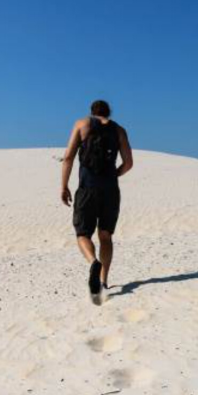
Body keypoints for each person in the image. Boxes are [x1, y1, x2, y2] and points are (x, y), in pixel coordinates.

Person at [60, 100, 133, 302]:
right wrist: (113, 176)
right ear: (109, 112)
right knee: (105, 236)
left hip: (87, 189)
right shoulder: (119, 130)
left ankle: (93, 262)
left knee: (83, 233)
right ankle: (103, 281)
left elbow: (68, 158)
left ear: (91, 112)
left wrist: (64, 186)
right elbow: (129, 163)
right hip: (110, 190)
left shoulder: (81, 124)